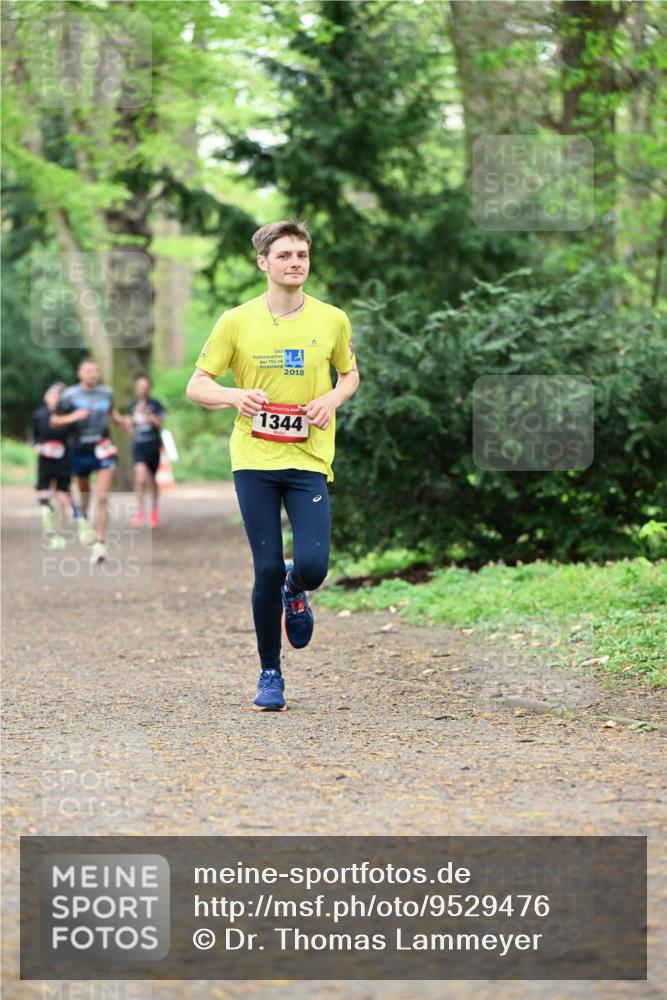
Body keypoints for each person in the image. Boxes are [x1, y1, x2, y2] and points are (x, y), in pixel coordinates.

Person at [186, 219, 360, 712]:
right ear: (263, 263)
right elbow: (197, 385)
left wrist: (332, 398)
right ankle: (270, 673)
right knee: (263, 566)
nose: (295, 263)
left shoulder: (332, 319)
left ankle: (296, 587)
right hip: (254, 461)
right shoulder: (235, 321)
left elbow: (350, 375)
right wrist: (233, 395)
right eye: (284, 255)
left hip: (308, 458)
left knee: (313, 565)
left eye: (301, 255)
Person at [50, 358, 130, 565]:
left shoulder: (107, 393)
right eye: (87, 371)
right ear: (80, 374)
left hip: (103, 448)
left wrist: (122, 423)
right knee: (84, 494)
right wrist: (73, 417)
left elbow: (112, 415)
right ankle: (83, 517)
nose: (92, 374)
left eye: (95, 371)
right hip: (78, 450)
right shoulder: (69, 396)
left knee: (102, 497)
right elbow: (55, 421)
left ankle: (100, 543)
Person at [32, 382, 70, 550]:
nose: (54, 398)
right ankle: (49, 520)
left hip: (63, 459)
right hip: (45, 459)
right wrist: (37, 446)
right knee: (44, 495)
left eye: (57, 396)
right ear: (45, 397)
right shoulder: (39, 415)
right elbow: (35, 436)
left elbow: (72, 436)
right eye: (51, 395)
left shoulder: (67, 416)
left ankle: (59, 534)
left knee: (61, 496)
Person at [126, 375, 166, 528]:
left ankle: (154, 510)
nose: (143, 389)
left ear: (149, 387)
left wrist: (148, 414)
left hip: (153, 445)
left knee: (152, 481)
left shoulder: (156, 405)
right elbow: (129, 427)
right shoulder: (132, 406)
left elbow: (159, 424)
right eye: (140, 386)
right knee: (140, 478)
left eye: (145, 386)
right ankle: (139, 511)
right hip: (138, 446)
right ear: (137, 388)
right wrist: (129, 424)